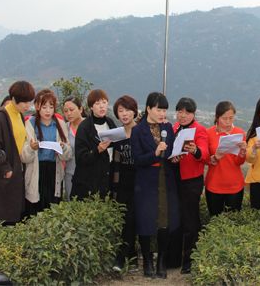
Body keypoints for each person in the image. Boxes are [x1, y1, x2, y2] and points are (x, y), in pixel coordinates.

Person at [131, 92, 180, 278]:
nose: (162, 114)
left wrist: (174, 156)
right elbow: (137, 159)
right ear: (149, 108)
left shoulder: (167, 127)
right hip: (145, 181)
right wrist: (155, 153)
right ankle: (147, 260)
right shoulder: (138, 130)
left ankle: (161, 261)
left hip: (165, 179)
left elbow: (170, 150)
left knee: (164, 220)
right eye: (159, 109)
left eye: (164, 110)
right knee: (145, 219)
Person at [0, 81, 35, 223]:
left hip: (15, 172)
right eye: (25, 102)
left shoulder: (19, 115)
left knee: (12, 216)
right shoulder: (1, 116)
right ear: (14, 99)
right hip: (1, 176)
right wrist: (6, 169)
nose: (28, 106)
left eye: (29, 102)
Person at [172, 97, 209, 274]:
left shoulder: (199, 130)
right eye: (180, 111)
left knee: (190, 220)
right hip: (175, 178)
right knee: (176, 218)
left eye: (187, 112)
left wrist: (195, 150)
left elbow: (205, 154)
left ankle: (189, 260)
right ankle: (175, 258)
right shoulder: (174, 127)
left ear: (193, 114)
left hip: (191, 180)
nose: (183, 115)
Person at [22, 89, 71, 215]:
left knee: (53, 209)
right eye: (44, 107)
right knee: (35, 207)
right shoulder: (30, 124)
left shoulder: (60, 124)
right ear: (37, 107)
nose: (48, 111)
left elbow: (68, 155)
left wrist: (63, 148)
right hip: (36, 170)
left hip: (54, 171)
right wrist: (31, 148)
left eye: (51, 107)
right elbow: (24, 157)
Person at [110, 95, 139, 272]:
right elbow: (115, 161)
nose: (125, 114)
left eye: (128, 110)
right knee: (125, 218)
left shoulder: (141, 131)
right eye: (121, 111)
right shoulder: (117, 134)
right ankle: (133, 256)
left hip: (139, 181)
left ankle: (120, 257)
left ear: (134, 111)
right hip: (122, 181)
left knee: (132, 218)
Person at [70, 89, 116, 200]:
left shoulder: (110, 123)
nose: (102, 106)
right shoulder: (84, 127)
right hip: (88, 182)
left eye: (104, 102)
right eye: (97, 103)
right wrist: (97, 150)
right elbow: (80, 158)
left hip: (106, 179)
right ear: (91, 107)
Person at [205, 101, 247, 217]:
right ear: (217, 117)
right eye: (224, 118)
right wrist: (214, 157)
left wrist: (242, 153)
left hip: (234, 185)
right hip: (214, 184)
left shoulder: (239, 133)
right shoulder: (208, 133)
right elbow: (204, 159)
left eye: (231, 118)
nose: (228, 122)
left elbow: (238, 162)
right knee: (214, 220)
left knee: (233, 222)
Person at [62, 96, 85, 199]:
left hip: (87, 173)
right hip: (70, 173)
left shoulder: (89, 126)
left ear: (80, 109)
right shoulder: (64, 128)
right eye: (66, 111)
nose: (69, 113)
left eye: (71, 110)